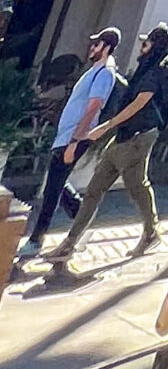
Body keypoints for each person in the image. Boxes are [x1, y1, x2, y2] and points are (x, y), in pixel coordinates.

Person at [46, 24, 168, 272]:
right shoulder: (145, 70)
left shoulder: (157, 73)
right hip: (126, 136)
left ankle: (150, 232)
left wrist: (106, 126)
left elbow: (139, 103)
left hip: (138, 137)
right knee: (100, 188)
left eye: (146, 44)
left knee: (136, 186)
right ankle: (71, 243)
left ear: (155, 46)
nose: (142, 47)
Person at [21, 29, 121, 249]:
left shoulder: (105, 73)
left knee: (52, 188)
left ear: (106, 47)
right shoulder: (94, 71)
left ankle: (37, 238)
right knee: (57, 181)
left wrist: (75, 141)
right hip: (66, 135)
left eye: (96, 45)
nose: (91, 48)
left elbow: (94, 107)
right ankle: (81, 219)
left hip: (74, 137)